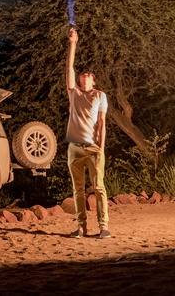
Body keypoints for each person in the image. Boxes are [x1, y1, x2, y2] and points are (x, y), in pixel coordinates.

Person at [65, 27, 111, 239]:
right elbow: (69, 67)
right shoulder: (74, 93)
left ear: (93, 81)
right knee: (78, 190)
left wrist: (101, 147)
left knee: (99, 187)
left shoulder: (100, 96)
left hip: (93, 147)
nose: (84, 76)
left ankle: (104, 227)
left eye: (89, 76)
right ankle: (81, 227)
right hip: (75, 148)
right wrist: (73, 43)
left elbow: (102, 122)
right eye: (82, 75)